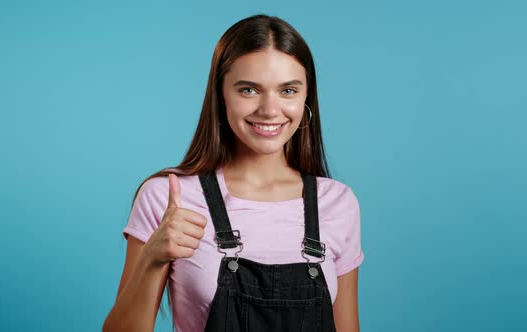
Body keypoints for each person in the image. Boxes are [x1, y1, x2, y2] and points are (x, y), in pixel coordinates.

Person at [103, 14, 364, 332]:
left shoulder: (336, 202)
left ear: (307, 97)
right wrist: (152, 258)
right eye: (249, 90)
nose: (269, 110)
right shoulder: (169, 196)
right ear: (220, 95)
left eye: (288, 91)